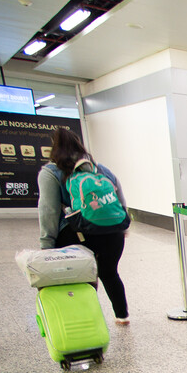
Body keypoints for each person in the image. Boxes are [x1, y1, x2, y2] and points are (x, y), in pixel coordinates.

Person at [37, 127, 131, 325]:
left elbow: (49, 210)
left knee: (81, 279)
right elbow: (121, 201)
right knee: (110, 272)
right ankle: (122, 316)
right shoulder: (102, 170)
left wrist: (47, 243)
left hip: (77, 233)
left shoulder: (51, 172)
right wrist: (121, 229)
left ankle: (89, 322)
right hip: (113, 233)